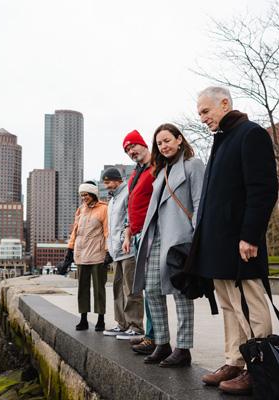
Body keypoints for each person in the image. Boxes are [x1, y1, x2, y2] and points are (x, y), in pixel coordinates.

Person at [191, 87, 278, 395]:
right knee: (229, 305)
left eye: (205, 111)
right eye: (199, 113)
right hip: (218, 244)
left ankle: (260, 366)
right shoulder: (222, 140)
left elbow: (263, 188)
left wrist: (251, 236)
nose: (201, 118)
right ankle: (235, 361)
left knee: (249, 305)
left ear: (224, 103)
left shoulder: (251, 134)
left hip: (241, 243)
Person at [132, 123, 203, 367]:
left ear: (179, 139)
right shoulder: (161, 171)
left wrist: (195, 240)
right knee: (151, 289)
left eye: (167, 140)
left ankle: (183, 348)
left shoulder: (193, 165)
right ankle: (162, 343)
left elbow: (199, 202)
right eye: (159, 143)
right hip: (157, 238)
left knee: (181, 295)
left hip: (180, 239)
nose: (163, 146)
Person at [121, 130, 158, 351]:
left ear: (143, 144)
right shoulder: (135, 174)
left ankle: (155, 337)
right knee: (145, 287)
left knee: (153, 288)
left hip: (151, 233)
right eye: (127, 150)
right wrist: (128, 233)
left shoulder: (156, 167)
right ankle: (150, 334)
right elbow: (131, 208)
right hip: (136, 236)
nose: (131, 151)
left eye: (133, 146)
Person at [100, 168, 144, 339]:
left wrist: (125, 239)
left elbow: (130, 219)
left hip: (128, 249)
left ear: (117, 180)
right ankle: (122, 323)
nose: (106, 186)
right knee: (118, 289)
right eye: (105, 183)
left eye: (108, 182)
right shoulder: (112, 200)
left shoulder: (127, 193)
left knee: (131, 289)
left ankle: (136, 326)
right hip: (116, 251)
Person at [60, 181, 110, 331]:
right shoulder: (80, 210)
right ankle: (83, 319)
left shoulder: (104, 209)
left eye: (86, 195)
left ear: (93, 194)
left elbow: (107, 232)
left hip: (97, 255)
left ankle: (101, 320)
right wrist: (69, 249)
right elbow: (75, 232)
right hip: (81, 255)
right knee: (82, 288)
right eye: (82, 195)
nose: (84, 198)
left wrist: (108, 252)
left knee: (99, 289)